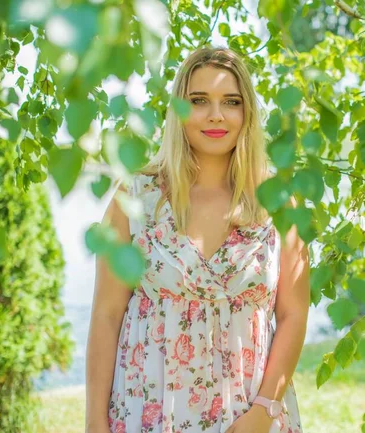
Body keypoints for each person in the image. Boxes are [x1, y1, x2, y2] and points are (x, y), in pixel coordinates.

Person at [85, 46, 310, 433]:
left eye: (231, 102)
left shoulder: (276, 201)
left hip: (249, 417)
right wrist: (93, 422)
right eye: (199, 100)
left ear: (248, 112)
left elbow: (293, 314)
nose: (216, 115)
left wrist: (265, 408)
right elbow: (106, 316)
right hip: (146, 412)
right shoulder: (137, 197)